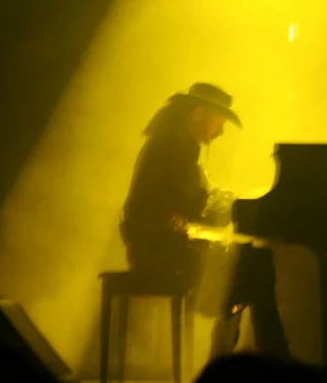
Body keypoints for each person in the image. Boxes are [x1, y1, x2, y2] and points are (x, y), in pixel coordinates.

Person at [120, 83, 291, 360]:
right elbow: (177, 206)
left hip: (166, 245)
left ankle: (230, 352)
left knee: (252, 263)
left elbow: (195, 198)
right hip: (159, 252)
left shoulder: (177, 146)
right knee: (255, 265)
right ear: (198, 114)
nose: (221, 131)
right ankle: (262, 355)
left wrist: (230, 201)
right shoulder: (169, 150)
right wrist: (230, 206)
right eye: (219, 122)